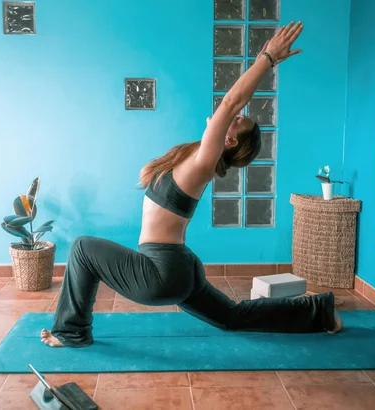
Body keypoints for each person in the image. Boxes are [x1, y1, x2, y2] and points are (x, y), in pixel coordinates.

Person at [41, 21, 342, 348]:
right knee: (232, 317)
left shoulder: (203, 162)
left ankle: (72, 332)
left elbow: (230, 102)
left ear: (228, 139)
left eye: (238, 120)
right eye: (240, 115)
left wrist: (267, 58)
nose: (233, 113)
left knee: (83, 248)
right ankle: (320, 311)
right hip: (179, 266)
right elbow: (229, 106)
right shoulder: (194, 157)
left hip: (162, 272)